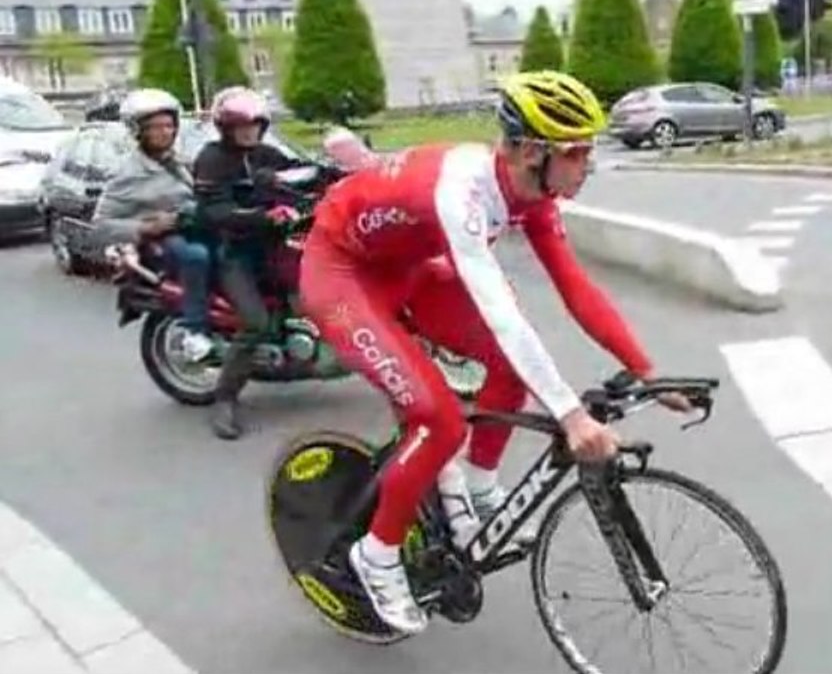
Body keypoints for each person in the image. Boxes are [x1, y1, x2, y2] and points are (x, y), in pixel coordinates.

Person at [298, 70, 694, 635]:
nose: (588, 165)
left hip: (408, 268)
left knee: (512, 369)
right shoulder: (462, 192)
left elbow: (577, 289)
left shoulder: (534, 194)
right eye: (577, 152)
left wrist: (646, 370)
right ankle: (377, 555)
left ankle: (481, 491)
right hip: (341, 275)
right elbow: (500, 314)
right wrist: (570, 415)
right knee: (438, 421)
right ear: (532, 152)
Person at [192, 86, 305, 440]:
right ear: (225, 128)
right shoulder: (211, 159)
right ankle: (225, 399)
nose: (248, 131)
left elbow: (301, 174)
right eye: (241, 126)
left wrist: (340, 170)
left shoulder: (266, 154)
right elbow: (214, 211)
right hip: (234, 252)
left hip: (273, 247)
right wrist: (263, 216)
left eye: (254, 125)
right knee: (255, 322)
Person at [93, 88, 215, 362]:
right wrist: (145, 228)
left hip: (193, 227)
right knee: (195, 257)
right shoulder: (128, 173)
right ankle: (194, 331)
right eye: (156, 127)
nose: (165, 132)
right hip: (162, 241)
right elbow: (101, 225)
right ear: (139, 132)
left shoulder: (180, 162)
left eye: (169, 126)